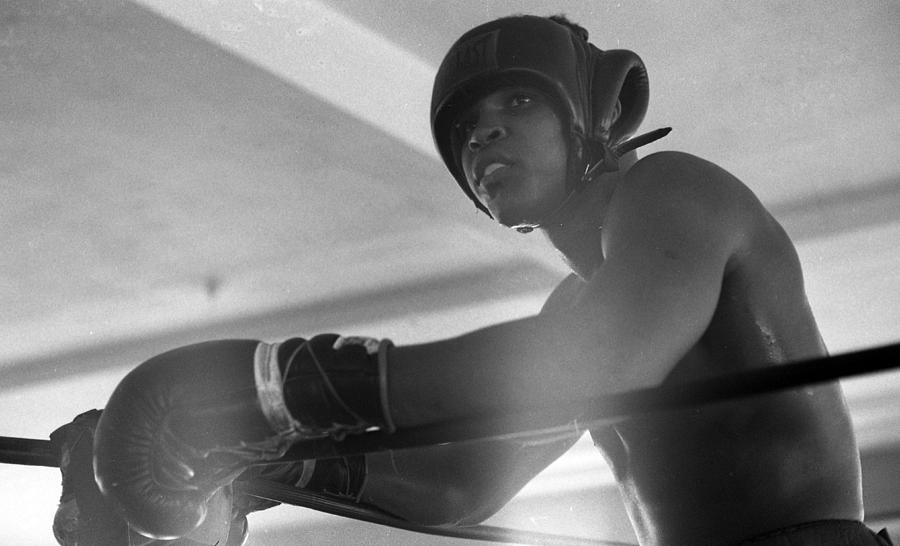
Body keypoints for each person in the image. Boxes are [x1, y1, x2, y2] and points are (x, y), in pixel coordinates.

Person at [56, 14, 893, 546]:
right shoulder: (572, 309)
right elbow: (457, 481)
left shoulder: (674, 189)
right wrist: (255, 460)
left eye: (516, 107)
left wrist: (278, 388)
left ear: (589, 113)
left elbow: (602, 364)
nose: (482, 136)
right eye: (464, 130)